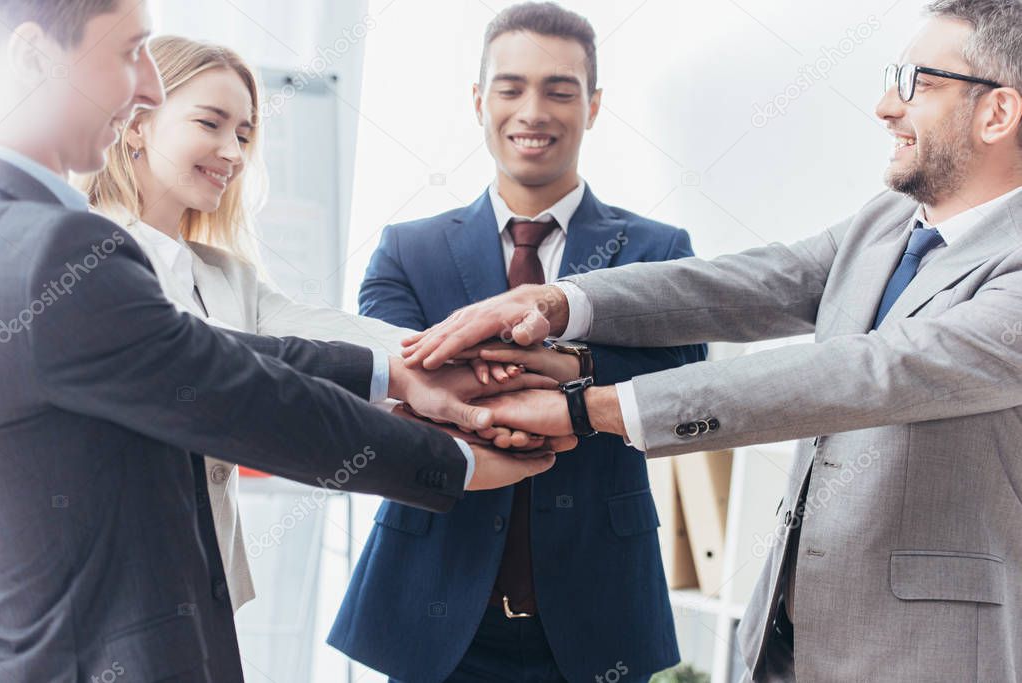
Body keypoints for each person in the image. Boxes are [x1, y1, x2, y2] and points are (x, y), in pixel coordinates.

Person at [401, 1, 1022, 680]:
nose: (883, 105)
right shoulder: (890, 219)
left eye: (917, 84)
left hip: (928, 653)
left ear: (996, 113)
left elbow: (864, 374)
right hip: (792, 635)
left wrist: (589, 408)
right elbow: (753, 283)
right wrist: (560, 302)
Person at [0, 2, 563, 680]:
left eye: (244, 132)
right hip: (105, 639)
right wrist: (452, 460)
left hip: (173, 611)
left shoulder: (181, 267)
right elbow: (241, 393)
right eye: (209, 122)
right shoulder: (70, 251)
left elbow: (274, 347)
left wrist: (431, 362)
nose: (233, 152)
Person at [328, 4, 705, 682]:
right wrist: (581, 371)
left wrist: (555, 362)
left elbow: (682, 378)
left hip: (599, 614)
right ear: (479, 101)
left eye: (559, 89)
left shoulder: (656, 252)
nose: (532, 110)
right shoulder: (407, 249)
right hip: (431, 604)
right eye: (510, 87)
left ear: (592, 106)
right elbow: (396, 379)